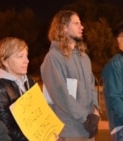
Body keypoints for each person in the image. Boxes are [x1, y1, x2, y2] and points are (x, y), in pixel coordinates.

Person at [40, 10, 100, 141]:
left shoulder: (84, 57)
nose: (81, 26)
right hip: (69, 131)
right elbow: (61, 95)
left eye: (80, 23)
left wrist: (95, 112)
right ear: (64, 28)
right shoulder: (53, 57)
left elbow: (91, 88)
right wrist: (86, 118)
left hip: (88, 129)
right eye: (76, 23)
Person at [0, 37, 36, 141]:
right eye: (20, 56)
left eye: (26, 56)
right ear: (5, 61)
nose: (26, 61)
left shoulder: (29, 82)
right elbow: (6, 127)